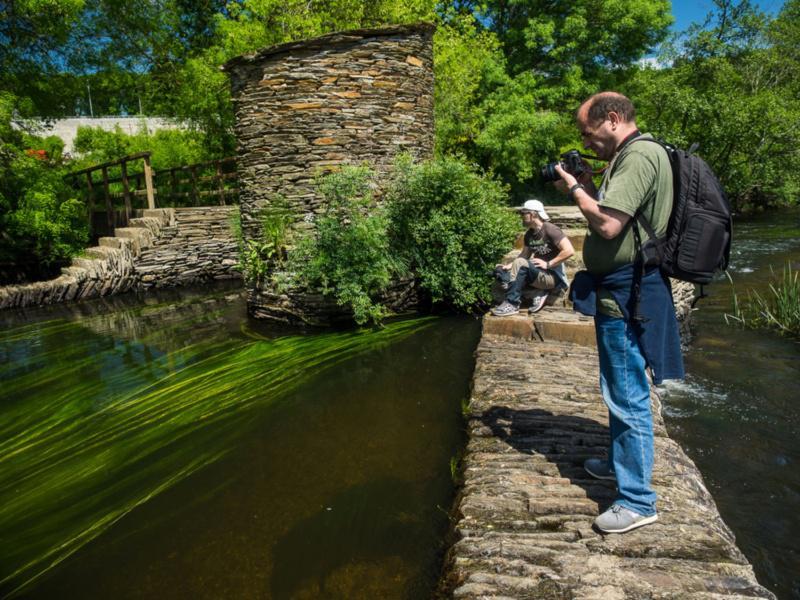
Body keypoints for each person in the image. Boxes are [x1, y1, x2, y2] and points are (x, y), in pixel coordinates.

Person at [553, 91, 684, 534]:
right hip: (622, 289)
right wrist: (588, 184)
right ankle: (618, 464)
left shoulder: (640, 156)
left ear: (612, 119)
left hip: (628, 294)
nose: (586, 142)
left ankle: (637, 500)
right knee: (618, 386)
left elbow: (607, 225)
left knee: (626, 392)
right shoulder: (633, 156)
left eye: (588, 134)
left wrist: (572, 188)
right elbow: (615, 217)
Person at [491, 199, 574, 316]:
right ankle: (536, 293)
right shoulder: (529, 234)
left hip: (552, 276)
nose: (521, 216)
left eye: (523, 213)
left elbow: (569, 250)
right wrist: (508, 266)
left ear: (533, 214)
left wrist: (548, 264)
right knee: (499, 271)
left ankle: (512, 303)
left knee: (520, 264)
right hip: (536, 274)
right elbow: (525, 254)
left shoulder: (551, 229)